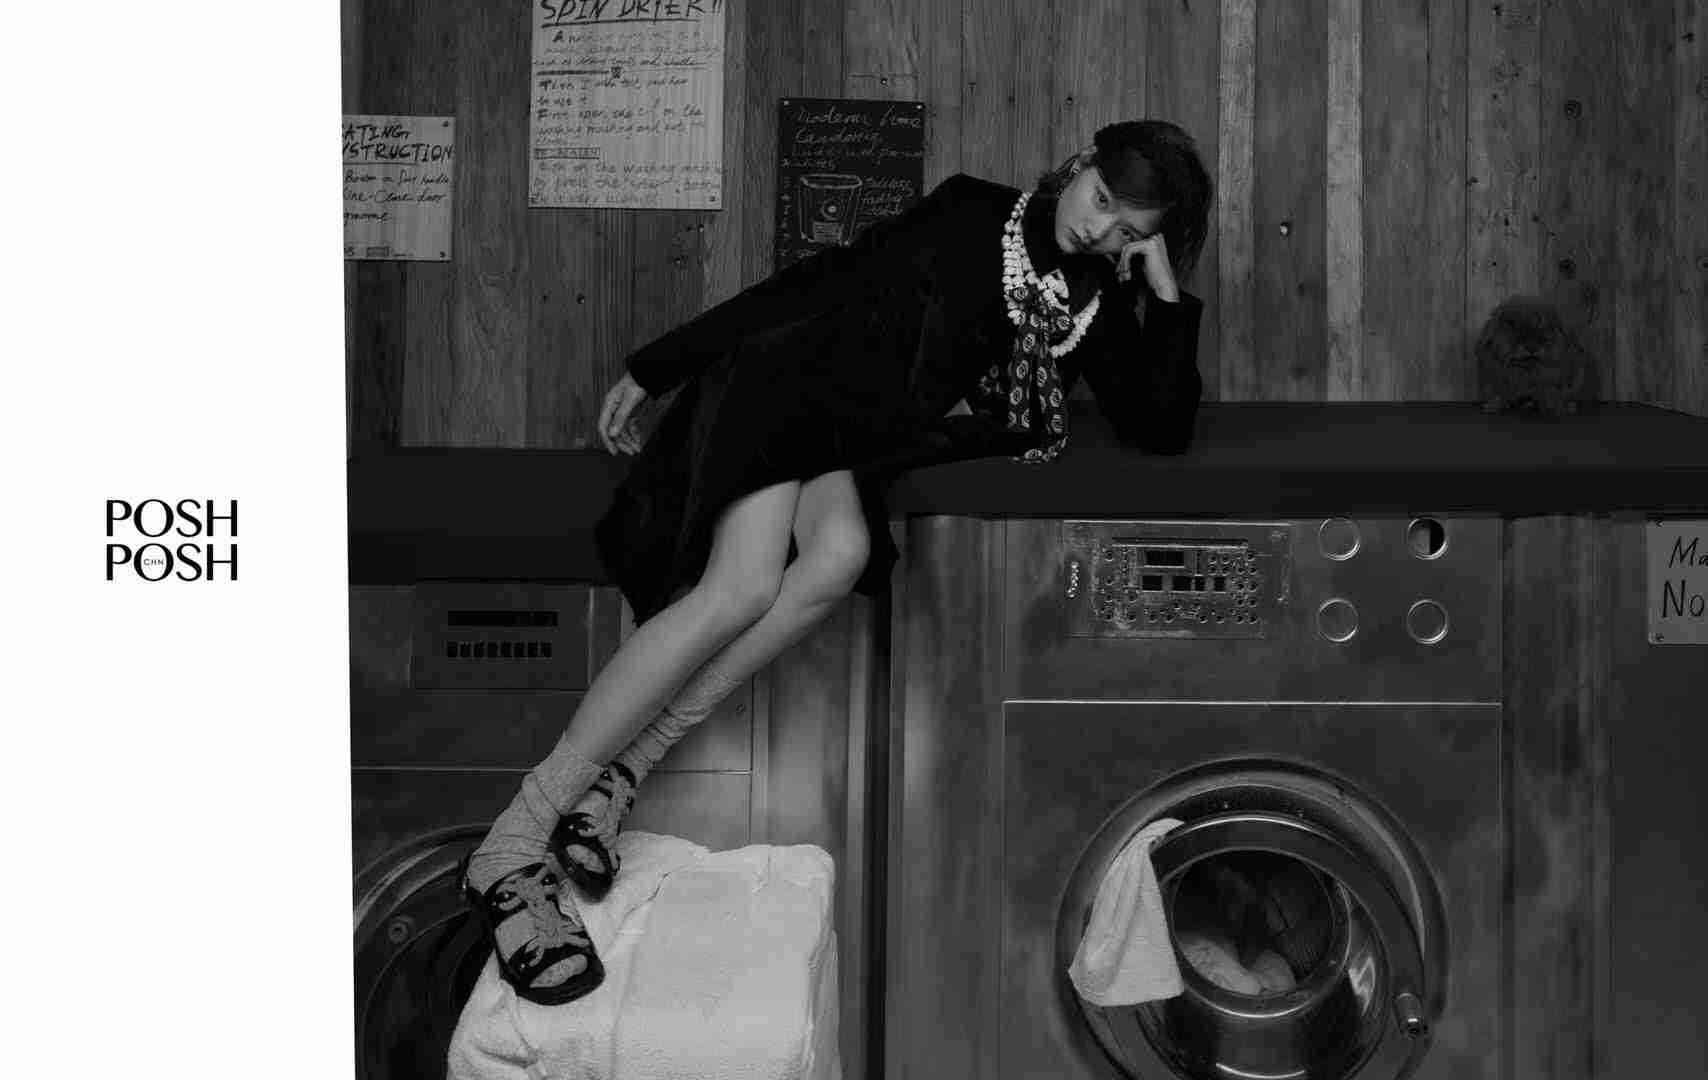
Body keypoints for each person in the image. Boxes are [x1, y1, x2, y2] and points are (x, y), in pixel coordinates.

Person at [462, 119, 1213, 1004]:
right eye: (1102, 199)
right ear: (1079, 165)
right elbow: (826, 277)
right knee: (740, 587)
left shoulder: (1093, 304)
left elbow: (1161, 427)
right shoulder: (976, 212)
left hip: (851, 439)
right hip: (789, 384)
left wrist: (1164, 295)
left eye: (1130, 229)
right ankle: (515, 838)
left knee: (840, 556)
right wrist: (659, 366)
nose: (1100, 228)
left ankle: (621, 777)